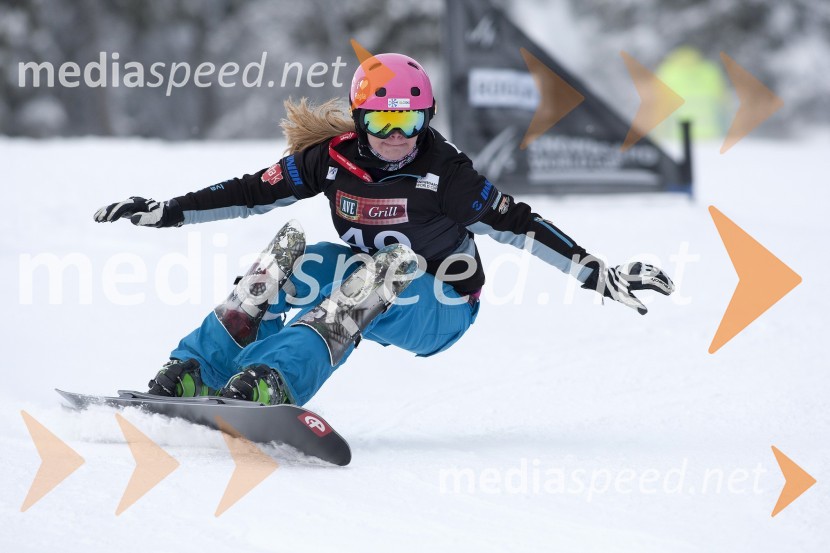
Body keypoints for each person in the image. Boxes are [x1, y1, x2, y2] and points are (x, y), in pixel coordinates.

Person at [94, 53, 675, 406]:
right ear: (361, 117)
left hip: (441, 305)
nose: (398, 135)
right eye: (383, 119)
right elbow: (252, 192)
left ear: (428, 119)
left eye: (411, 120)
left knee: (381, 269)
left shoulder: (443, 171)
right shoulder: (332, 158)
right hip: (374, 282)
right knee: (293, 253)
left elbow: (519, 225)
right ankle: (200, 370)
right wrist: (167, 210)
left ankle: (273, 381)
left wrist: (597, 271)